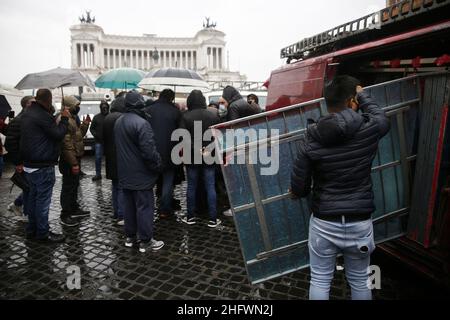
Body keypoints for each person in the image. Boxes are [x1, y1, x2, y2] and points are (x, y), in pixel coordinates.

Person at [290, 75, 390, 300]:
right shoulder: (368, 129)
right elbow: (382, 118)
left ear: (327, 103)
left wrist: (296, 192)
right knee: (361, 280)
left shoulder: (311, 137)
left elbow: (300, 186)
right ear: (351, 101)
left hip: (324, 221)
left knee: (320, 279)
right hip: (359, 221)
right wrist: (363, 94)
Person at [114, 91, 164, 253]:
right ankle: (146, 241)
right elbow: (149, 152)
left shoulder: (118, 121)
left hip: (125, 173)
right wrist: (158, 165)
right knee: (144, 207)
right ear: (139, 104)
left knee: (128, 207)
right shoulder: (142, 124)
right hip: (141, 174)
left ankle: (130, 237)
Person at [20, 89, 69, 243]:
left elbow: (44, 130)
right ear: (47, 100)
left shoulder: (28, 113)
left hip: (30, 164)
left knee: (34, 200)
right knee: (42, 202)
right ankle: (42, 233)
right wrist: (65, 119)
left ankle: (32, 230)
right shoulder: (42, 115)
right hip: (42, 165)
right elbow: (58, 134)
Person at [181, 90, 222, 228]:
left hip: (191, 156)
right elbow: (219, 136)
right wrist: (207, 148)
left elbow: (183, 138)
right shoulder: (212, 115)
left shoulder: (185, 116)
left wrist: (196, 149)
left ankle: (190, 216)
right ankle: (213, 218)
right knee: (210, 186)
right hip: (209, 155)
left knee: (192, 186)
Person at [144, 89, 181, 219]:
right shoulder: (175, 112)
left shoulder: (148, 110)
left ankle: (146, 208)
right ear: (171, 98)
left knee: (149, 181)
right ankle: (165, 209)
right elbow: (180, 134)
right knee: (168, 182)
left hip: (151, 151)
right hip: (170, 152)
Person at [57, 96, 91, 227]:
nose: (78, 107)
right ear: (69, 106)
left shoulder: (72, 119)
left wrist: (85, 125)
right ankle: (65, 214)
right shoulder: (64, 119)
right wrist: (74, 163)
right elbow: (66, 145)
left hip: (75, 157)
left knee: (74, 185)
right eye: (76, 105)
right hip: (69, 160)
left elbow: (77, 137)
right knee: (68, 187)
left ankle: (74, 209)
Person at [5, 96, 35, 220]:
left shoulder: (30, 119)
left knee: (30, 188)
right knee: (29, 188)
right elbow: (10, 143)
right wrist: (18, 163)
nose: (35, 104)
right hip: (23, 162)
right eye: (33, 103)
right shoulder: (18, 120)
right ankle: (27, 215)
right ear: (26, 104)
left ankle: (18, 205)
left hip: (31, 160)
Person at [103, 96, 126, 226]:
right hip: (121, 156)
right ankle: (122, 214)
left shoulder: (108, 118)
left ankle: (116, 211)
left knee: (115, 186)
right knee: (122, 186)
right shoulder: (121, 118)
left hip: (110, 157)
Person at [90, 100, 110, 181]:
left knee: (110, 159)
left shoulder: (110, 116)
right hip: (99, 142)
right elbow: (92, 128)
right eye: (103, 108)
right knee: (98, 158)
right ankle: (98, 174)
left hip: (109, 142)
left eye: (106, 108)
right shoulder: (96, 117)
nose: (104, 109)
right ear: (101, 108)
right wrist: (96, 135)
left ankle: (110, 173)